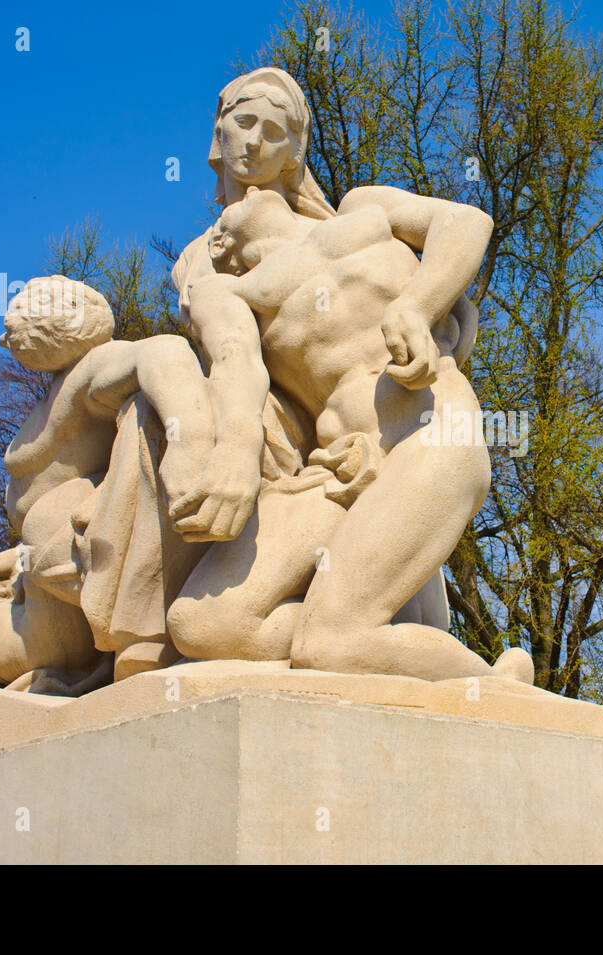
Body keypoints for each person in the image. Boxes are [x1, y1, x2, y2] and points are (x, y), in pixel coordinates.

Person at [165, 67, 531, 683]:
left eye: (275, 131)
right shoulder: (223, 284)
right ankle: (355, 638)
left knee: (331, 644)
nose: (255, 142)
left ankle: (488, 685)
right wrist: (235, 449)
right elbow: (236, 364)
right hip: (332, 468)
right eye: (243, 123)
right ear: (217, 135)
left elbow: (466, 223)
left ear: (295, 153)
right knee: (203, 627)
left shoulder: (363, 212)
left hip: (425, 428)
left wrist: (417, 303)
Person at [0, 277, 215, 698]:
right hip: (39, 588)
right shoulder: (64, 385)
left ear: (62, 316)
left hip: (55, 627)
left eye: (17, 318)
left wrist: (190, 443)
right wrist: (10, 558)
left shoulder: (95, 366)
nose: (5, 338)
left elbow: (163, 351)